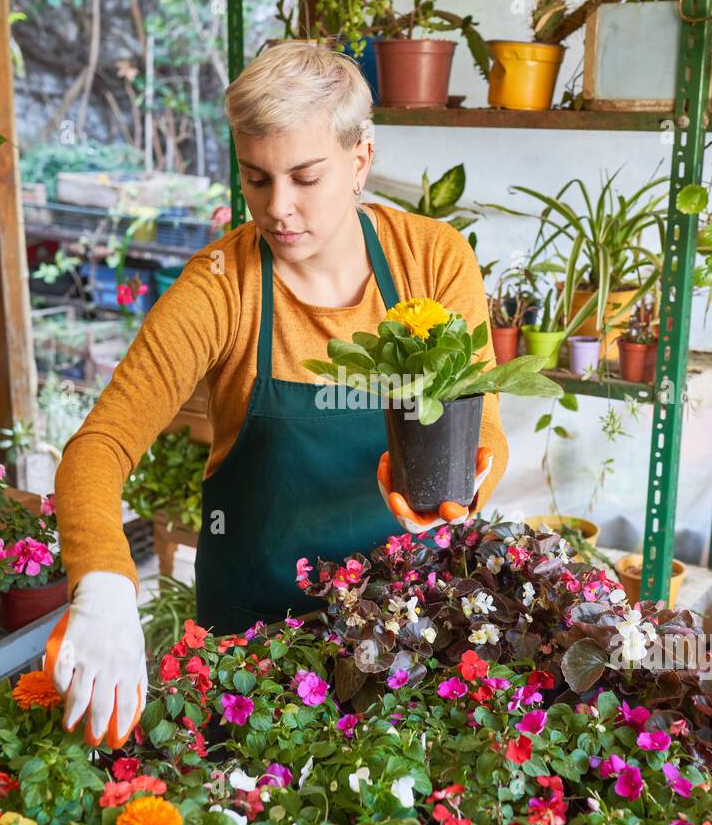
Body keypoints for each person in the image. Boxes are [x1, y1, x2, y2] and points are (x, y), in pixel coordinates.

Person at [48, 42, 509, 747]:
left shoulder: (432, 260)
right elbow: (99, 447)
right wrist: (105, 586)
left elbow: (486, 428)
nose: (278, 208)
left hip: (403, 641)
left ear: (360, 160)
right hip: (249, 662)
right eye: (257, 179)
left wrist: (463, 482)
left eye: (304, 176)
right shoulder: (221, 287)